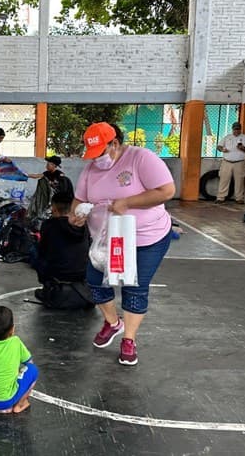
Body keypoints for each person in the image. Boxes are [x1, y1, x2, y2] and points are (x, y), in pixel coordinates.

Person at [70, 122, 175, 366]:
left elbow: (166, 191)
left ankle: (129, 338)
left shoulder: (141, 159)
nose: (96, 160)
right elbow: (79, 199)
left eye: (100, 153)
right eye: (92, 156)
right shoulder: (90, 170)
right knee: (96, 282)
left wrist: (128, 202)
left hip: (146, 238)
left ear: (115, 143)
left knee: (134, 287)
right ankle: (112, 322)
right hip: (108, 241)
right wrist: (75, 214)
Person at [32, 192, 89, 299]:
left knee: (35, 253)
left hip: (57, 276)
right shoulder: (84, 225)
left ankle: (48, 289)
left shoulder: (49, 225)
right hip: (83, 277)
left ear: (54, 209)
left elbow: (43, 252)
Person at [215, 122, 245, 204]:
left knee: (239, 180)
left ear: (240, 129)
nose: (236, 131)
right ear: (232, 129)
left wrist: (243, 148)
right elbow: (219, 146)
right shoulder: (227, 137)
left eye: (238, 129)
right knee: (224, 179)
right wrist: (222, 149)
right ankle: (220, 198)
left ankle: (239, 198)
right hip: (226, 162)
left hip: (239, 163)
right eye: (235, 129)